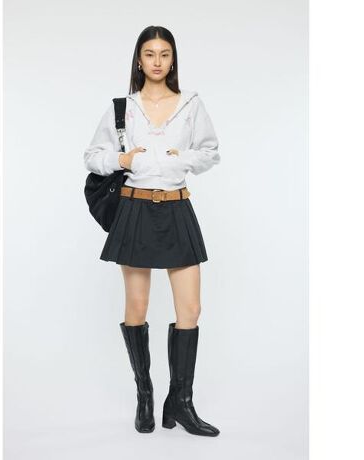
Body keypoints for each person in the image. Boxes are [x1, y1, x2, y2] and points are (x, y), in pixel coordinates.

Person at [83, 26, 221, 437]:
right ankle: (145, 394)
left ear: (172, 59)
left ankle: (180, 401)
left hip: (177, 207)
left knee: (191, 310)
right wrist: (121, 159)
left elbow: (211, 151)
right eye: (149, 54)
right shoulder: (122, 108)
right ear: (139, 60)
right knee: (137, 308)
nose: (157, 61)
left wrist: (184, 160)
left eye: (164, 54)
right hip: (135, 209)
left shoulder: (191, 105)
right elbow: (92, 155)